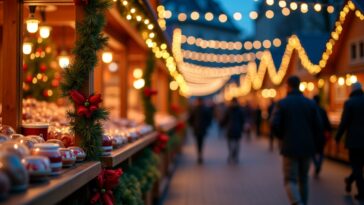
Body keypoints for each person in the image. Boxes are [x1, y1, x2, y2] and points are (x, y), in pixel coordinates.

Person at [272, 76, 322, 205]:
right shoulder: (310, 103)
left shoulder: (282, 103)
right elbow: (318, 125)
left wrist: (282, 137)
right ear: (299, 85)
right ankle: (303, 202)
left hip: (289, 147)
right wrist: (315, 144)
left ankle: (297, 202)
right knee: (304, 179)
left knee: (290, 179)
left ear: (288, 86)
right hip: (307, 147)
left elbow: (274, 124)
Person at [336, 82, 364, 201]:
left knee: (356, 165)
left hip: (354, 140)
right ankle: (349, 180)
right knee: (360, 165)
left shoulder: (349, 103)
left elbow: (344, 122)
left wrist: (338, 136)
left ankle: (362, 192)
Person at [312, 95, 332, 177]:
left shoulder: (312, 110)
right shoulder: (322, 110)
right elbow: (327, 122)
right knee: (320, 152)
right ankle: (319, 164)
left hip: (313, 135)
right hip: (321, 134)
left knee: (312, 152)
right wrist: (328, 131)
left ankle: (316, 164)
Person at [221, 98, 245, 164]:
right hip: (237, 129)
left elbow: (224, 119)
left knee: (231, 143)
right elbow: (243, 120)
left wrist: (222, 124)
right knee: (236, 143)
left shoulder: (228, 110)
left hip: (230, 129)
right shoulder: (240, 110)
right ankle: (234, 154)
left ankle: (232, 154)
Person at [188, 97, 211, 164]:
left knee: (199, 142)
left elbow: (190, 119)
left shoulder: (195, 109)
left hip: (198, 128)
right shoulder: (204, 109)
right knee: (200, 142)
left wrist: (192, 125)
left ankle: (199, 154)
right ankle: (200, 154)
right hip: (200, 128)